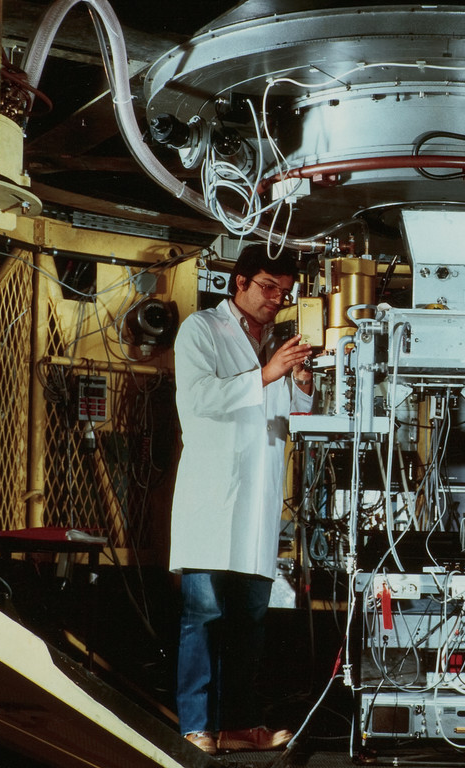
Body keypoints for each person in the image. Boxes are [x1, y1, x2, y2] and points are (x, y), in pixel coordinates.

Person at [169, 244, 314, 755]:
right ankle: (196, 724)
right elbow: (198, 399)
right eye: (268, 287)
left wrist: (301, 384)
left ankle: (239, 724)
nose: (277, 298)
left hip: (257, 501)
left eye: (285, 292)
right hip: (211, 498)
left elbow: (289, 417)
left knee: (250, 621)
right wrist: (269, 373)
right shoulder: (202, 329)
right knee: (204, 615)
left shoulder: (274, 342)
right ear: (240, 282)